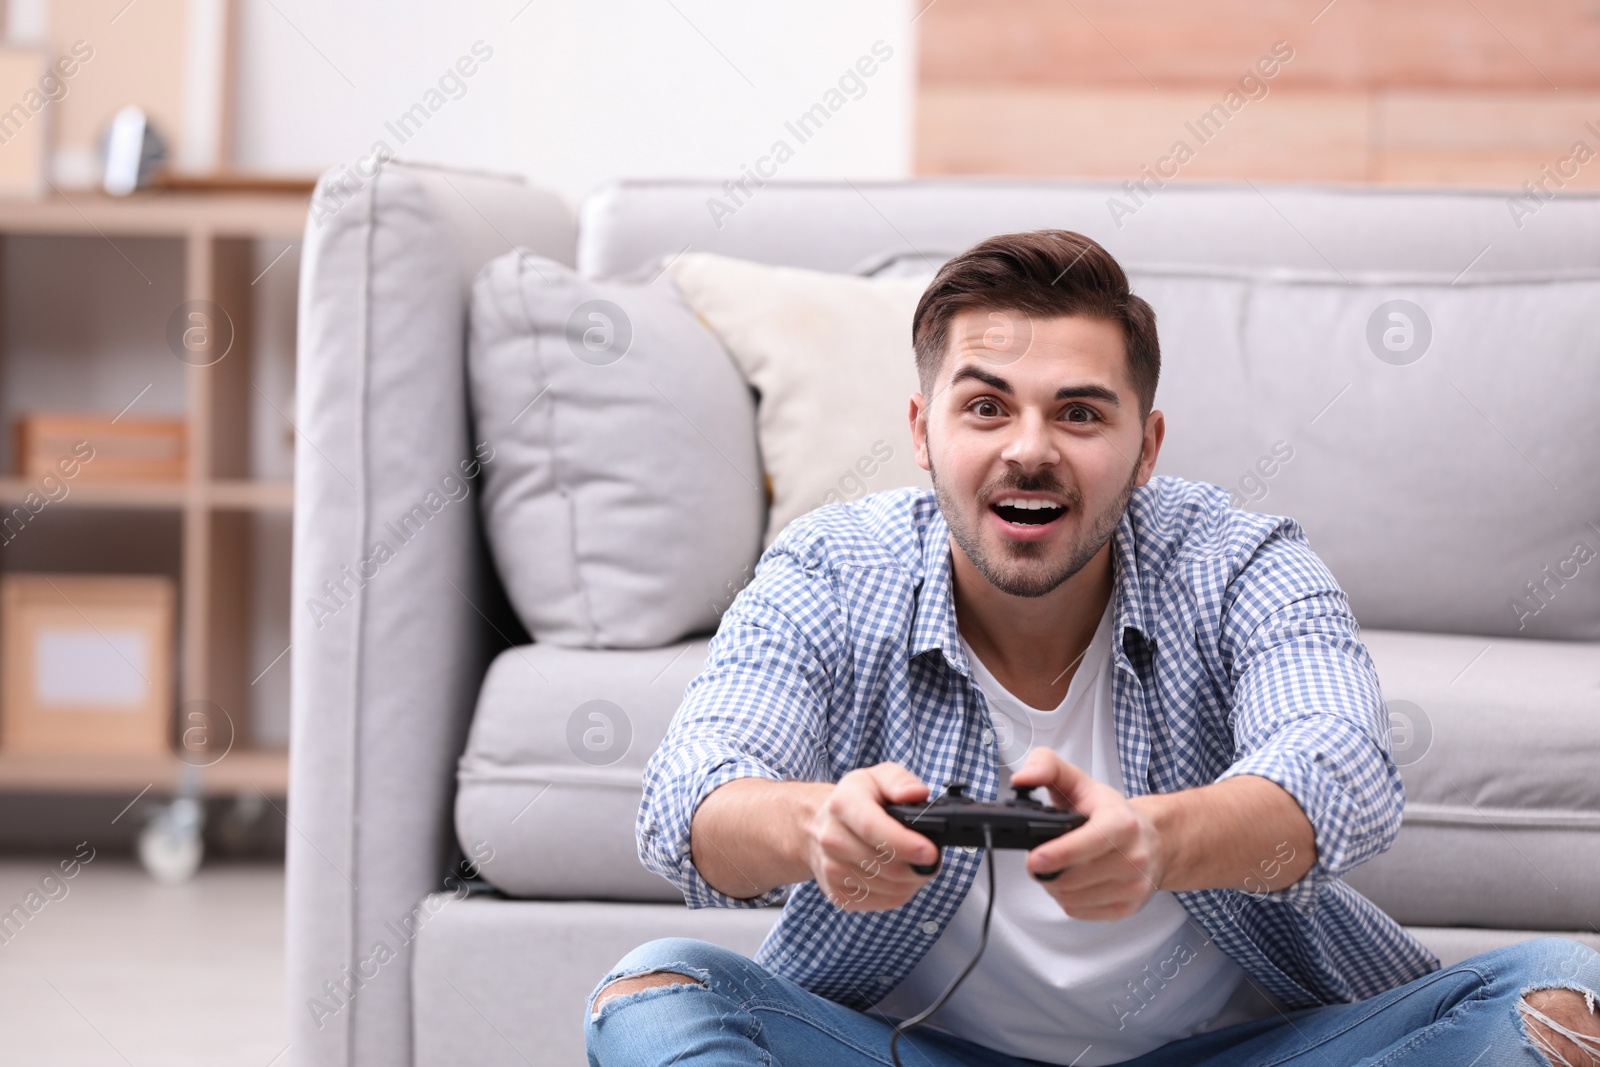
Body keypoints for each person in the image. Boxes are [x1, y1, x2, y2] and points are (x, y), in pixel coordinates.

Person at [584, 230, 1600, 1066]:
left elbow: (1339, 770)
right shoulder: (833, 568)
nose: (1029, 446)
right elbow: (690, 791)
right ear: (924, 431)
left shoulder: (1243, 561)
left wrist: (1158, 840)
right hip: (908, 1053)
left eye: (1078, 412)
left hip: (1251, 1053)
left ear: (1146, 446)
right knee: (655, 996)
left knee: (1570, 997)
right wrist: (815, 826)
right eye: (985, 406)